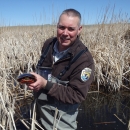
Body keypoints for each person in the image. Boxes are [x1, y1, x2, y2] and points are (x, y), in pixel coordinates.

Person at [28, 8, 95, 130]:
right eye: (62, 27)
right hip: (38, 113)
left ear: (79, 30)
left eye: (71, 29)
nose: (65, 33)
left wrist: (45, 84)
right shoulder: (48, 44)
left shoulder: (84, 60)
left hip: (60, 121)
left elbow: (77, 95)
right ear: (57, 26)